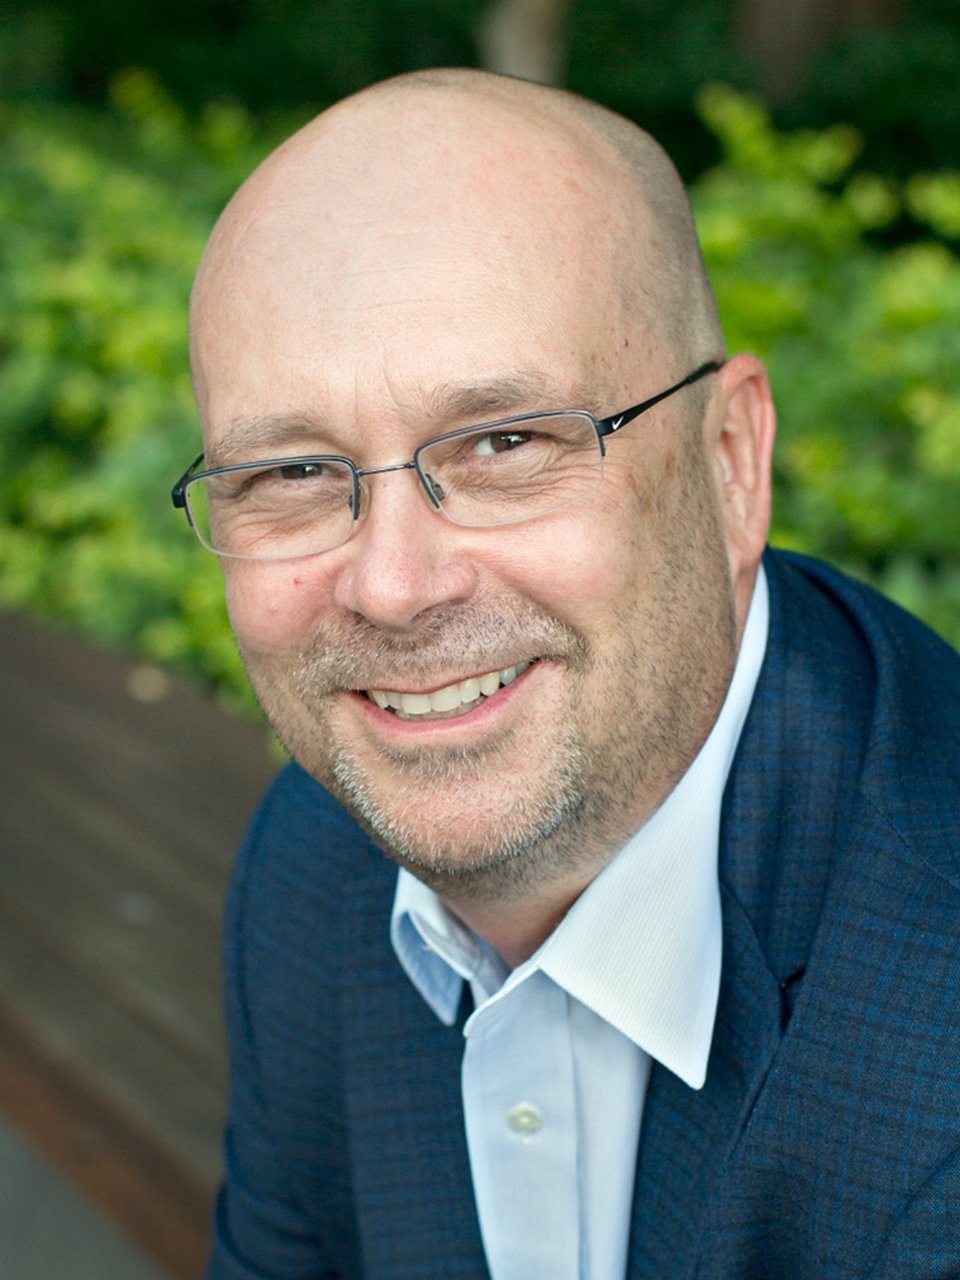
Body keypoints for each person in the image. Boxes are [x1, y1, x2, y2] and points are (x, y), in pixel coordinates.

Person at [174, 68, 960, 1280]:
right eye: (289, 472)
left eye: (504, 443)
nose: (391, 584)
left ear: (731, 464)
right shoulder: (313, 870)